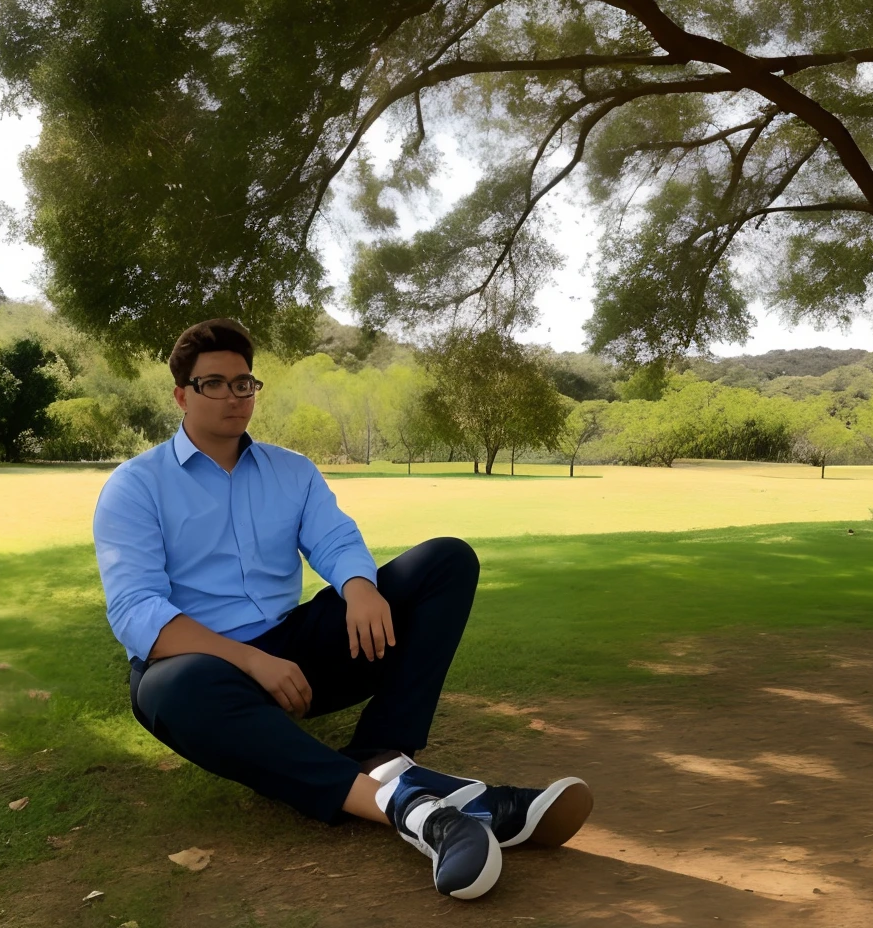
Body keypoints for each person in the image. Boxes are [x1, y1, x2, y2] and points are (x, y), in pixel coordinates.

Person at [92, 317, 591, 900]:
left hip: (296, 653)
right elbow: (135, 611)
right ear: (182, 394)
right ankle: (413, 804)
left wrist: (357, 585)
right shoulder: (136, 485)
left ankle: (384, 749)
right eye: (214, 383)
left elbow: (333, 539)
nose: (234, 396)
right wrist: (250, 663)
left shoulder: (291, 470)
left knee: (446, 561)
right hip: (206, 667)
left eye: (244, 383)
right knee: (170, 689)